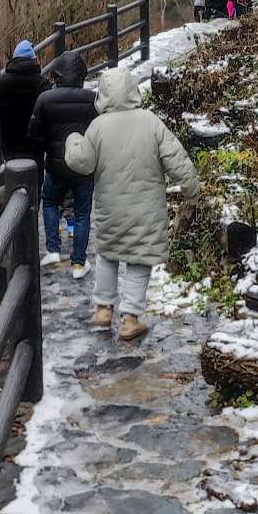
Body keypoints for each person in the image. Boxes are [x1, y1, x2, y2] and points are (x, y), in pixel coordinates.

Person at [65, 66, 200, 342]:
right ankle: (130, 319)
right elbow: (176, 158)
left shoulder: (97, 127)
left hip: (110, 210)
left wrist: (73, 140)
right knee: (139, 262)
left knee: (108, 255)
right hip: (146, 211)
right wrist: (192, 189)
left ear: (102, 95)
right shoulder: (150, 121)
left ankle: (103, 309)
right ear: (132, 90)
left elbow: (82, 162)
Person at [28, 50, 97, 278]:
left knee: (49, 202)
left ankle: (53, 250)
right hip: (84, 165)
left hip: (55, 165)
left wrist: (48, 148)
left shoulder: (45, 99)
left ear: (57, 73)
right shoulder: (92, 99)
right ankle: (78, 263)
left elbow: (34, 134)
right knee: (82, 213)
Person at [0, 40, 45, 170]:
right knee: (36, 179)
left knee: (12, 179)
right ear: (33, 60)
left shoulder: (1, 83)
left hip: (10, 145)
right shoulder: (42, 84)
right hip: (36, 145)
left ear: (14, 59)